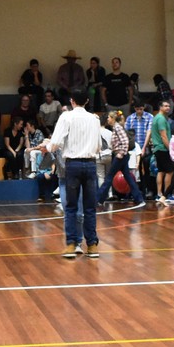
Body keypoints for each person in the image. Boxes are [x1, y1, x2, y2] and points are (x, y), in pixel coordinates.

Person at [43, 90, 102, 258]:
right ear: (87, 101)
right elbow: (98, 146)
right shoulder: (94, 119)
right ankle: (92, 246)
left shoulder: (66, 117)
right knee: (90, 207)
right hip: (90, 164)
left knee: (71, 207)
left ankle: (71, 244)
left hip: (73, 165)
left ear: (72, 101)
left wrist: (47, 147)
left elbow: (55, 143)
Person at [96, 110, 143, 207]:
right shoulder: (116, 128)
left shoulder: (117, 127)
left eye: (109, 117)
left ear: (113, 118)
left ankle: (99, 199)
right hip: (121, 155)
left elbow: (125, 141)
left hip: (120, 156)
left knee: (109, 177)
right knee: (128, 177)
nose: (107, 119)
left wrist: (121, 153)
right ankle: (139, 198)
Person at [150, 99, 174, 204]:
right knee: (169, 171)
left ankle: (159, 194)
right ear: (160, 107)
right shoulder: (161, 119)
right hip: (163, 148)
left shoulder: (157, 118)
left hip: (158, 148)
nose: (168, 108)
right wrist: (170, 149)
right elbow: (164, 136)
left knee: (161, 171)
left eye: (169, 106)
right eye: (165, 106)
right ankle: (166, 194)